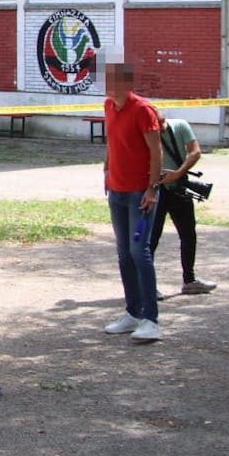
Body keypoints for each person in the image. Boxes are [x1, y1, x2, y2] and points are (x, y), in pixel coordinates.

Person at [101, 62, 165, 343]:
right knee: (124, 253)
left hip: (140, 194)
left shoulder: (142, 110)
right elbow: (111, 143)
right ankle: (133, 313)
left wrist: (151, 189)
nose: (109, 86)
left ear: (127, 83)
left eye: (115, 81)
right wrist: (106, 170)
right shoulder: (108, 106)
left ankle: (151, 319)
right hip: (116, 191)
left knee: (140, 251)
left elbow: (156, 151)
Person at [149, 114, 217, 297]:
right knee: (152, 238)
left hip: (178, 187)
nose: (160, 129)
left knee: (188, 234)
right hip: (156, 190)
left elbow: (195, 152)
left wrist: (178, 173)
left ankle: (190, 280)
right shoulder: (145, 133)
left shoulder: (180, 125)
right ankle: (148, 286)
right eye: (157, 127)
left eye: (162, 125)